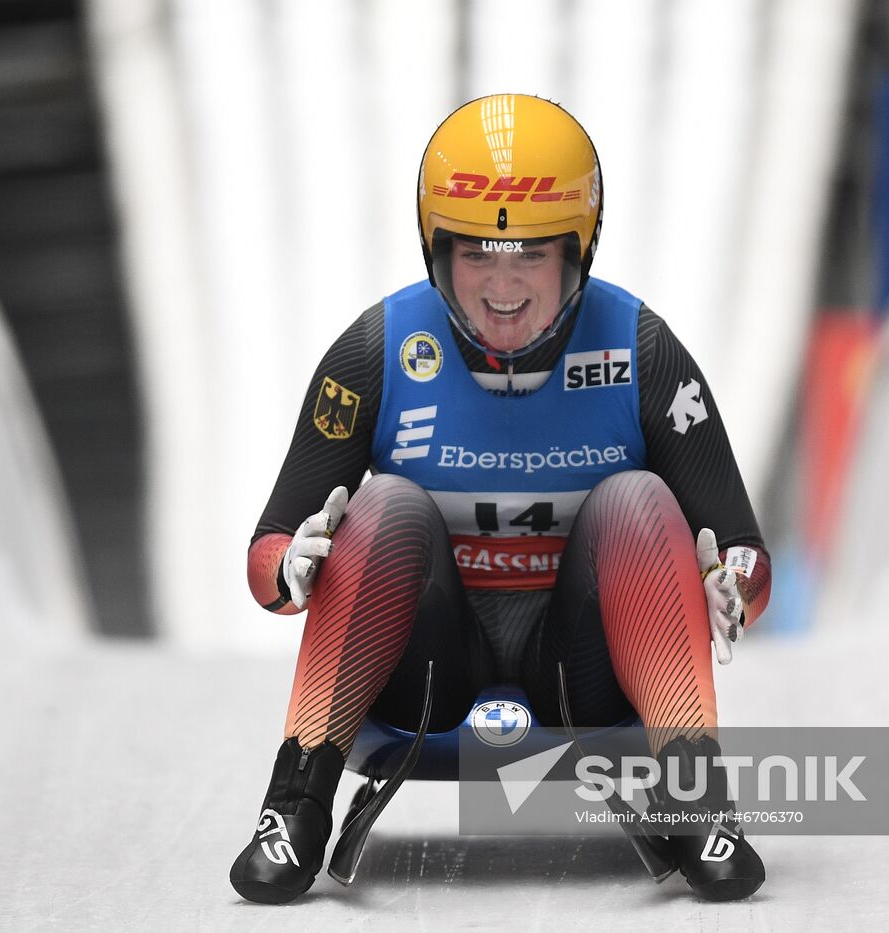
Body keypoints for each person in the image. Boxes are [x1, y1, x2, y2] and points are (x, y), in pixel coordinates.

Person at [229, 94, 772, 905]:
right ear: (437, 253)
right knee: (386, 508)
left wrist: (731, 582)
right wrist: (296, 570)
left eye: (533, 255)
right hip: (427, 668)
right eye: (480, 253)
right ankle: (296, 802)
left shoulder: (643, 351)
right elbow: (268, 551)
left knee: (637, 500)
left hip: (580, 670)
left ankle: (699, 797)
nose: (504, 285)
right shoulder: (375, 353)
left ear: (576, 253)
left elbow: (744, 549)